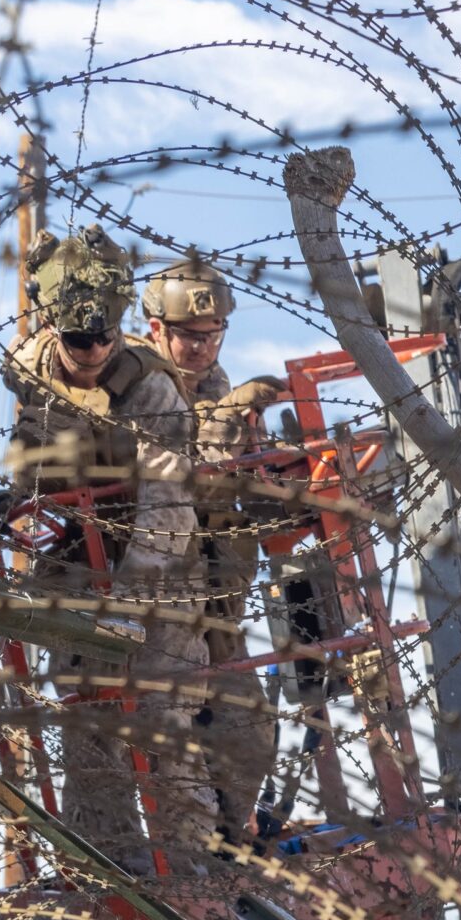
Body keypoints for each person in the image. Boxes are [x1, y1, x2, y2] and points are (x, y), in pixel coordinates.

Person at [3, 226, 216, 870]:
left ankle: (191, 868)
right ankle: (105, 871)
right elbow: (33, 465)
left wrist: (128, 603)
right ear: (52, 326)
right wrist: (19, 511)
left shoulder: (149, 388)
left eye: (105, 335)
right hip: (73, 566)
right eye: (78, 338)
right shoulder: (32, 371)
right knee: (87, 723)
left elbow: (168, 505)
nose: (94, 350)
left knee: (162, 717)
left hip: (155, 570)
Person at [142, 254, 283, 839]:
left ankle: (228, 843)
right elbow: (166, 470)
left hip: (217, 606)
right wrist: (224, 426)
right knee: (169, 744)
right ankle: (188, 858)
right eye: (187, 336)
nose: (201, 348)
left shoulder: (217, 388)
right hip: (159, 607)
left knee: (247, 734)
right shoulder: (139, 386)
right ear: (156, 329)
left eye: (212, 335)